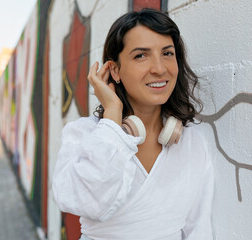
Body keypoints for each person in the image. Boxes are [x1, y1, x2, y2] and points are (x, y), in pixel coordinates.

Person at [53, 8, 214, 240]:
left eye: (167, 53)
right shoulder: (83, 134)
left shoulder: (192, 143)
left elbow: (199, 230)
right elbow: (89, 202)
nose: (159, 68)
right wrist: (113, 117)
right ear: (115, 70)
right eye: (141, 55)